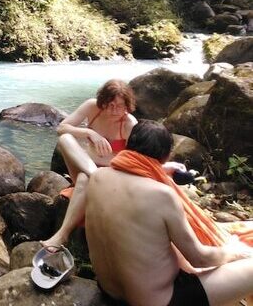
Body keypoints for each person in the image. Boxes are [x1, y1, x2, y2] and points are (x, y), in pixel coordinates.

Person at [85, 120, 253, 306]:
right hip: (160, 301)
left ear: (129, 145)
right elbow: (199, 258)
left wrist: (160, 171)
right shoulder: (161, 195)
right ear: (165, 157)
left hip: (110, 291)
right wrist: (233, 252)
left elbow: (130, 177)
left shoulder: (97, 178)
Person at [41, 79, 140, 249]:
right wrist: (89, 133)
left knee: (83, 180)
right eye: (110, 105)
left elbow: (134, 161)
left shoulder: (129, 123)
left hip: (112, 177)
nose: (115, 110)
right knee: (65, 139)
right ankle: (93, 175)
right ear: (102, 102)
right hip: (88, 167)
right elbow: (61, 128)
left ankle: (62, 235)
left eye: (120, 106)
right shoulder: (91, 107)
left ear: (127, 105)